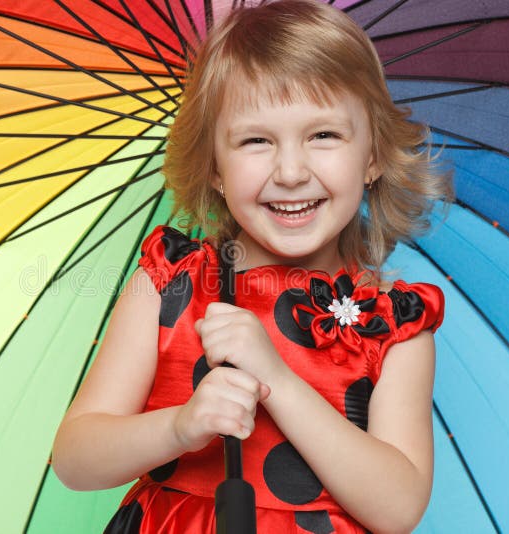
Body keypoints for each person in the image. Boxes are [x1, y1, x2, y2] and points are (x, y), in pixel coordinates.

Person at [52, 1, 453, 532]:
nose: (290, 171)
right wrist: (180, 426)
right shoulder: (169, 286)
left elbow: (398, 508)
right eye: (256, 140)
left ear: (373, 157)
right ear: (214, 167)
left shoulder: (390, 325)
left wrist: (278, 382)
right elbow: (75, 457)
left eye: (324, 135)